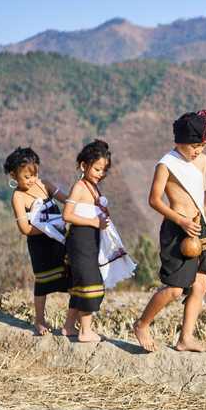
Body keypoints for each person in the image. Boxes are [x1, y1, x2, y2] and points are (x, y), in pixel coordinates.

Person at [134, 110, 206, 353]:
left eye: (202, 145)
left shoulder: (202, 161)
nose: (197, 151)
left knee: (201, 283)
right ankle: (142, 324)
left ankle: (186, 338)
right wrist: (181, 221)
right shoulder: (166, 165)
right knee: (175, 288)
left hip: (201, 226)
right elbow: (154, 200)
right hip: (177, 228)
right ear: (179, 142)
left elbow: (203, 193)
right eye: (193, 146)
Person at [5, 147, 78, 336]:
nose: (32, 179)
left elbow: (67, 200)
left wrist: (82, 200)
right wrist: (48, 227)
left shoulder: (44, 185)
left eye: (34, 173)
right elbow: (24, 228)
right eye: (26, 176)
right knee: (43, 281)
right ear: (14, 175)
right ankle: (39, 320)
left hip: (60, 240)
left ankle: (72, 321)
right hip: (40, 245)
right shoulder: (18, 197)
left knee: (72, 276)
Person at [62, 140, 113, 343]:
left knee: (80, 284)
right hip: (80, 241)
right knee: (90, 283)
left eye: (103, 170)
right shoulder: (79, 186)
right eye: (97, 169)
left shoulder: (93, 187)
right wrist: (94, 221)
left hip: (91, 242)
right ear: (84, 166)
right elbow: (67, 215)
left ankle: (68, 327)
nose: (100, 173)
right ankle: (85, 330)